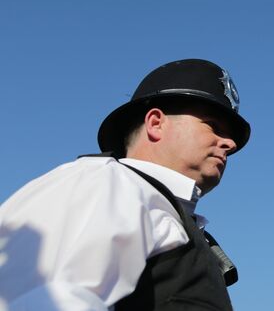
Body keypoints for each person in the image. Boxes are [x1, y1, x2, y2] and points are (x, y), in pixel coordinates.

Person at [0, 58, 251, 311]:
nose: (229, 144)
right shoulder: (107, 184)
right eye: (213, 126)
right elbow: (53, 299)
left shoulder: (155, 204)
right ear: (155, 123)